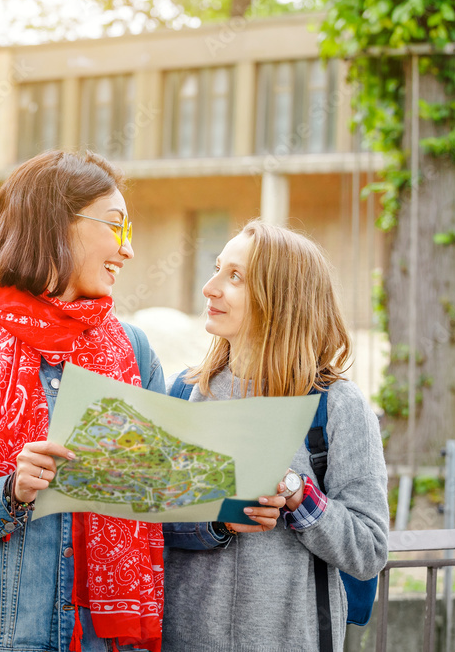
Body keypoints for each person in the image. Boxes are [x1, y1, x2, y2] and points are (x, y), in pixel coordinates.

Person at [0, 150, 167, 652]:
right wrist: (10, 492)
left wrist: (223, 516)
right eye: (116, 227)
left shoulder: (134, 353)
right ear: (58, 225)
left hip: (104, 642)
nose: (128, 250)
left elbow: (162, 501)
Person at [162, 219, 389, 652]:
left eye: (235, 277)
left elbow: (369, 549)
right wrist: (217, 519)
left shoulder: (336, 405)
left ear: (281, 299)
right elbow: (149, 525)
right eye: (216, 269)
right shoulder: (183, 393)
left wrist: (298, 494)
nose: (210, 288)